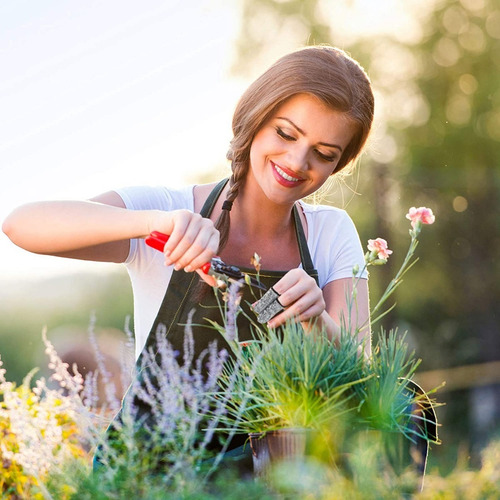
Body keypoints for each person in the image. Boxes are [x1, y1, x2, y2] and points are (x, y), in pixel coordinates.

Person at [3, 45, 374, 466]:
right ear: (256, 117)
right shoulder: (167, 205)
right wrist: (152, 224)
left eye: (324, 154)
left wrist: (316, 321)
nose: (296, 161)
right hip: (146, 479)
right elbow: (21, 225)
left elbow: (360, 382)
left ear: (337, 164)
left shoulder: (331, 232)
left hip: (270, 482)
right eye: (285, 134)